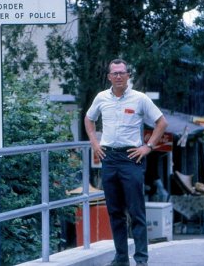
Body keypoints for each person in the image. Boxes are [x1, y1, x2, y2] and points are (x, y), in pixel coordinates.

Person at [84, 59, 168, 266]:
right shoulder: (101, 97)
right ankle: (121, 257)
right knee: (115, 211)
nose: (119, 76)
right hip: (109, 158)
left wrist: (147, 146)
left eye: (122, 73)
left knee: (136, 211)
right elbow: (89, 119)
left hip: (131, 158)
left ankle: (141, 260)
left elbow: (161, 122)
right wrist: (95, 143)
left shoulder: (139, 99)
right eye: (115, 73)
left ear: (128, 75)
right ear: (109, 77)